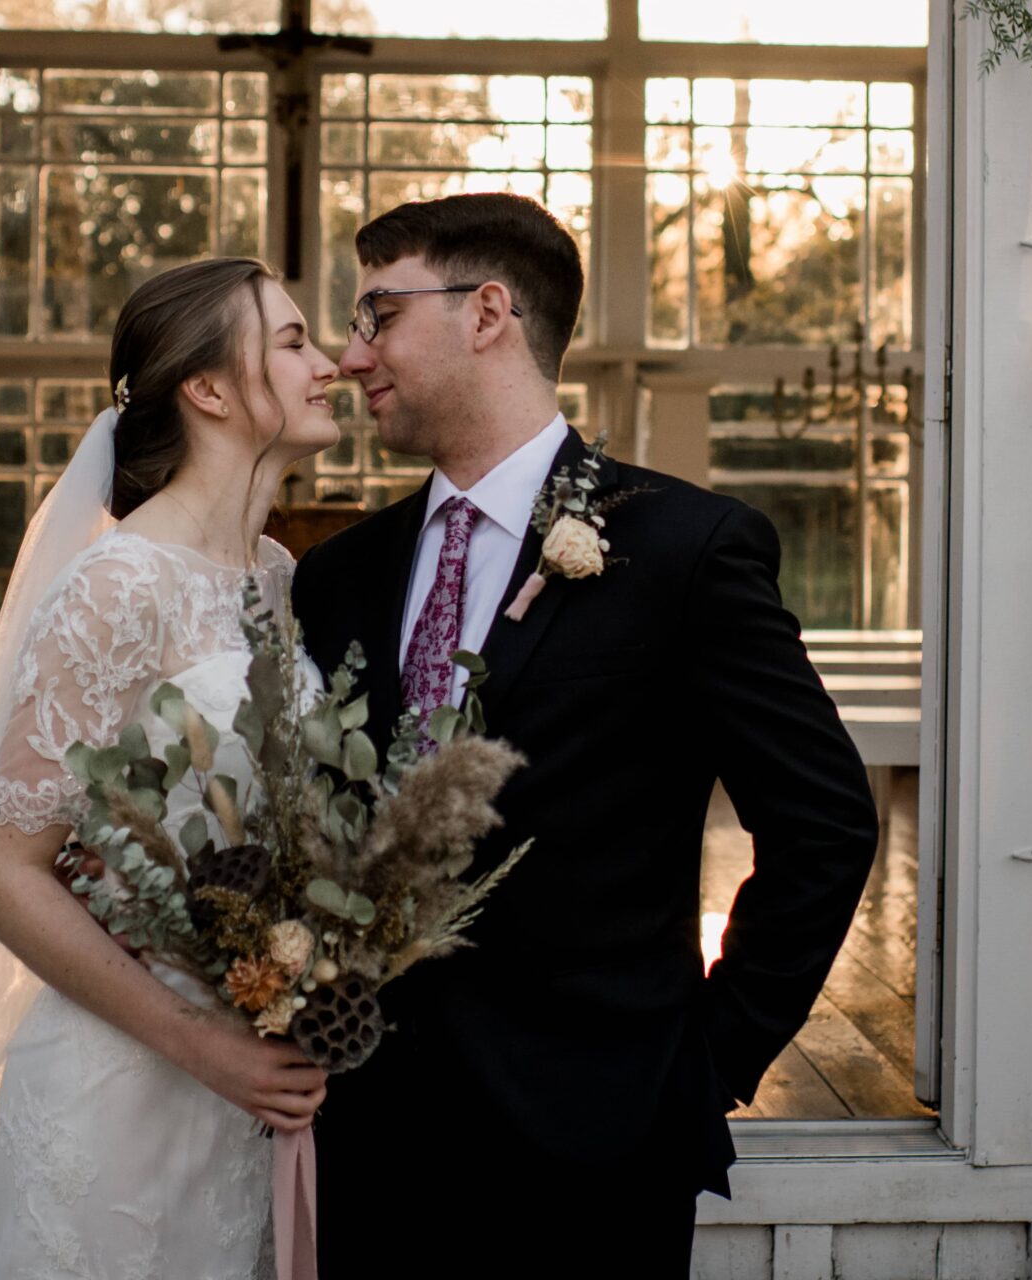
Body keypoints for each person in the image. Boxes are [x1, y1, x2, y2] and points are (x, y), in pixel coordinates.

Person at [293, 192, 879, 1280]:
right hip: (364, 1140)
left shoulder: (687, 548)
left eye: (377, 311)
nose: (350, 349)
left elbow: (826, 826)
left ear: (488, 312)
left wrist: (702, 1062)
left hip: (597, 1148)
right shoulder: (338, 574)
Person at [0, 257, 340, 1280]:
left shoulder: (273, 576)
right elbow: (1, 871)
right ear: (210, 388)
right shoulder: (117, 584)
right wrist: (205, 1044)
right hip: (127, 1084)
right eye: (292, 340)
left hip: (250, 1081)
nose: (329, 364)